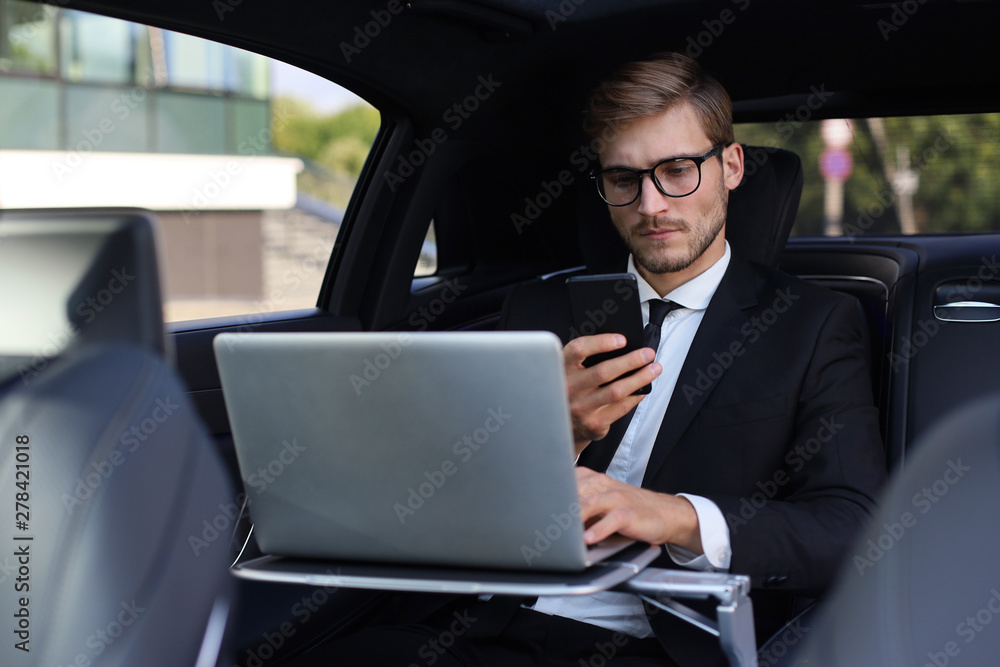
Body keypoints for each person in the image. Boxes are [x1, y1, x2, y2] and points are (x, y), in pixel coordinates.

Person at [299, 51, 886, 667]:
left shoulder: (810, 324)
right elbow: (434, 509)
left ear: (731, 166)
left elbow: (850, 529)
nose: (652, 205)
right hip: (482, 628)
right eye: (624, 179)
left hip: (659, 646)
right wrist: (552, 434)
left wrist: (673, 516)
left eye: (678, 170)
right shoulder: (537, 312)